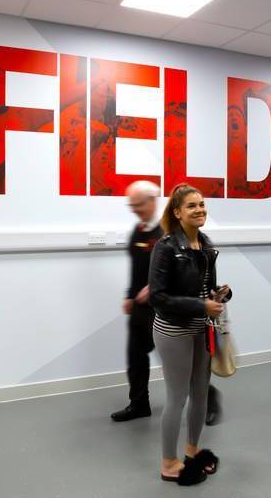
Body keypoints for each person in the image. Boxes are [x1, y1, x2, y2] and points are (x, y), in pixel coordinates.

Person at [148, 184, 231, 486]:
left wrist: (218, 295)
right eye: (192, 206)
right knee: (177, 397)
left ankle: (192, 451)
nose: (199, 210)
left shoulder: (205, 244)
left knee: (200, 394)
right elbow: (158, 297)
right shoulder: (166, 247)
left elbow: (201, 288)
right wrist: (200, 305)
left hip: (200, 328)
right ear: (177, 212)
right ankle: (169, 463)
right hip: (173, 330)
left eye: (202, 204)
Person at [111, 181, 164, 422]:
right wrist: (129, 295)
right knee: (135, 358)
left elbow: (178, 270)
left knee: (178, 362)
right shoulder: (138, 230)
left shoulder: (168, 231)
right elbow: (137, 268)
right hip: (140, 309)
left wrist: (153, 287)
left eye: (138, 205)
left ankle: (208, 398)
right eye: (131, 205)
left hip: (164, 309)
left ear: (153, 201)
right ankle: (139, 404)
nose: (134, 210)